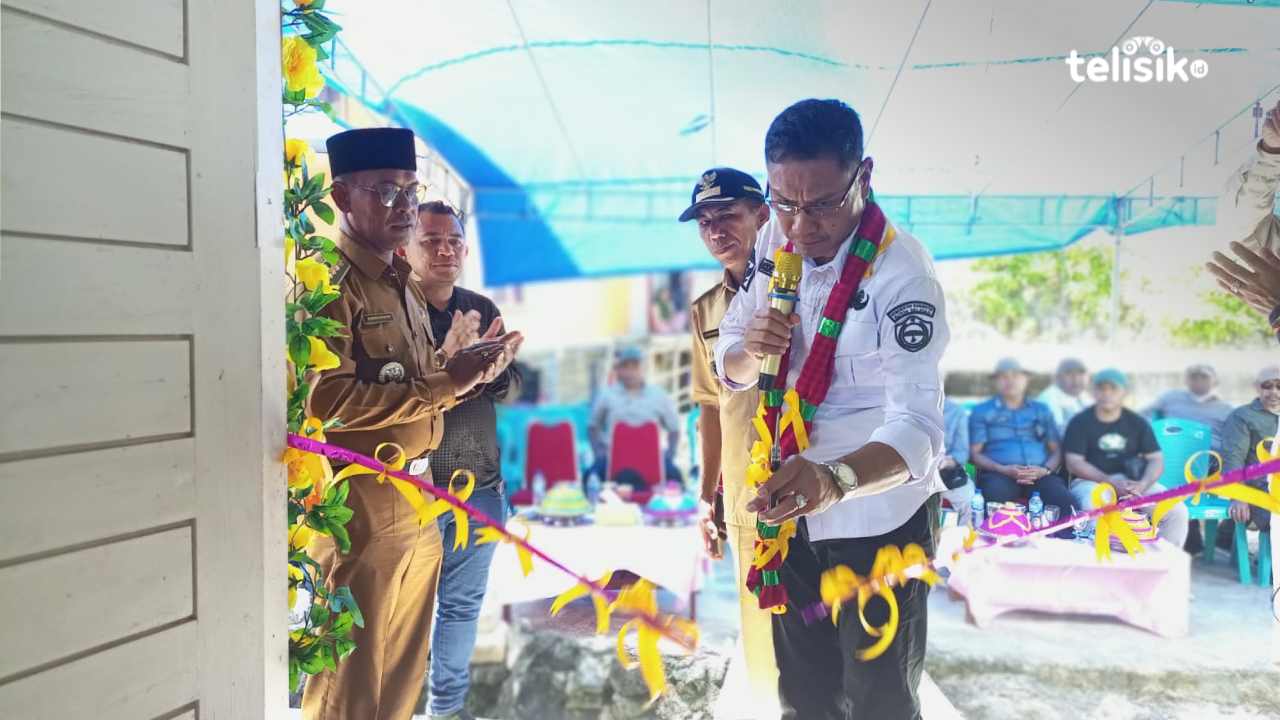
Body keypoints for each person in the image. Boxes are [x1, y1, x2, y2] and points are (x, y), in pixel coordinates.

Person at [716, 98, 948, 719]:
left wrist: (835, 479)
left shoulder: (904, 277)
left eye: (820, 204)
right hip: (792, 507)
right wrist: (750, 351)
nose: (799, 225)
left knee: (881, 699)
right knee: (806, 694)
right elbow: (731, 359)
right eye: (784, 201)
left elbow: (920, 429)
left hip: (880, 521)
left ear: (863, 176)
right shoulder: (773, 235)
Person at [303, 128, 521, 720]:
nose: (402, 206)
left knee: (401, 676)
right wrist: (444, 383)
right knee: (349, 681)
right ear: (343, 197)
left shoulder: (400, 283)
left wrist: (464, 370)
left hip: (419, 497)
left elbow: (416, 385)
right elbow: (325, 400)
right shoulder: (329, 283)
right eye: (385, 192)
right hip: (361, 502)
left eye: (408, 189)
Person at [400, 201, 521, 720]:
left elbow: (511, 389)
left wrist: (489, 369)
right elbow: (397, 395)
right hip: (412, 492)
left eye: (453, 241)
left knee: (460, 609)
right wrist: (450, 366)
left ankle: (444, 710)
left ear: (465, 250)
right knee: (402, 612)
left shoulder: (479, 307)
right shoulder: (396, 309)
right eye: (432, 240)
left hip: (481, 486)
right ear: (407, 247)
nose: (444, 250)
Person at [682, 166, 780, 718]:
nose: (716, 230)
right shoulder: (705, 310)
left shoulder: (807, 283)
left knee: (819, 623)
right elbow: (710, 407)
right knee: (759, 624)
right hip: (746, 489)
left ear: (762, 214)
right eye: (704, 221)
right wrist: (707, 494)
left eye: (728, 216)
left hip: (810, 480)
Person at [1065, 369, 1189, 548]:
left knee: (1176, 511)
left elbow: (1156, 459)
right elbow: (1074, 462)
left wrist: (1143, 484)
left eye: (1113, 388)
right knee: (1094, 504)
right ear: (1093, 392)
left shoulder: (1137, 423)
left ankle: (1162, 566)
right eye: (1101, 388)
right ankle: (1100, 567)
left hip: (1134, 484)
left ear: (1124, 391)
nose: (1107, 393)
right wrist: (1109, 480)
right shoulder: (1080, 422)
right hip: (1092, 482)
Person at [968, 359, 1075, 520]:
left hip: (1040, 475)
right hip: (1000, 474)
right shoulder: (982, 411)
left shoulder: (1041, 410)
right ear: (996, 381)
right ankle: (993, 543)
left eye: (1016, 376)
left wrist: (1045, 470)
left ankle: (1060, 542)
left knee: (1065, 503)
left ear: (1026, 379)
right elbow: (974, 454)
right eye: (1003, 376)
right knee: (992, 500)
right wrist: (1001, 469)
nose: (1010, 381)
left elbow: (1057, 449)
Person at [586, 346, 682, 485]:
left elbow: (674, 428)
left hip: (651, 456)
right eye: (625, 366)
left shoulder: (659, 395)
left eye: (635, 366)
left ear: (642, 369)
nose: (630, 372)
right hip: (613, 457)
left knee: (675, 478)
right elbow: (592, 426)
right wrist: (598, 452)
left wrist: (670, 454)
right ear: (618, 370)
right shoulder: (606, 395)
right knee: (590, 477)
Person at [1222, 365, 1280, 536]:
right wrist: (1238, 496)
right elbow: (1233, 458)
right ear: (1257, 387)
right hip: (1262, 491)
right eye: (1267, 386)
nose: (1274, 392)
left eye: (1279, 386)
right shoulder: (1242, 417)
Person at [1142, 364, 1233, 451]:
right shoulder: (1170, 397)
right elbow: (1141, 415)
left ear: (1215, 381)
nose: (1199, 380)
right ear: (1185, 381)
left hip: (1210, 454)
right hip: (1173, 449)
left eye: (1204, 377)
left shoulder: (1227, 409)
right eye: (1193, 377)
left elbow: (1236, 437)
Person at [938, 398, 975, 526]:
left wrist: (947, 461)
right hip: (904, 472)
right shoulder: (897, 407)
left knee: (967, 495)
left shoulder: (955, 411)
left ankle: (964, 540)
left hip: (943, 472)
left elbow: (961, 453)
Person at [1038, 358, 1090, 436]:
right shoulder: (1048, 399)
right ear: (1057, 377)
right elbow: (1058, 434)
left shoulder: (1084, 396)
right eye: (1069, 374)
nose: (1076, 379)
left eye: (1081, 374)